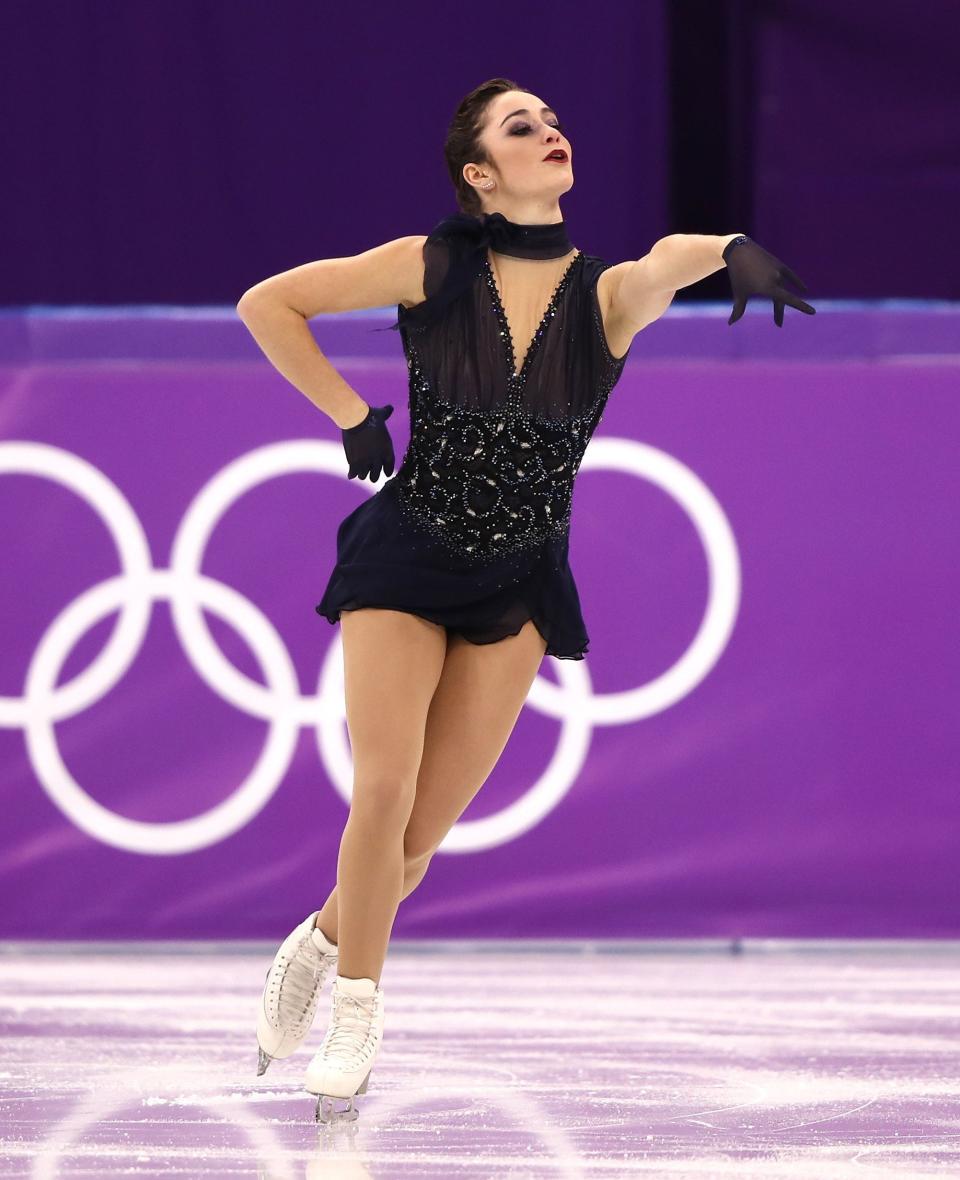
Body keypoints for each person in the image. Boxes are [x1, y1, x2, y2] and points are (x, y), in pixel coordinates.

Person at [236, 77, 815, 1123]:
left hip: (520, 579)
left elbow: (663, 260)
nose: (549, 132)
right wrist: (346, 412)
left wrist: (729, 245)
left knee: (412, 846)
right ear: (479, 172)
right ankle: (357, 1009)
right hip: (405, 555)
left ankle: (320, 941)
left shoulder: (604, 296)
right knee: (382, 793)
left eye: (552, 120)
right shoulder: (431, 264)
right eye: (521, 127)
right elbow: (267, 304)